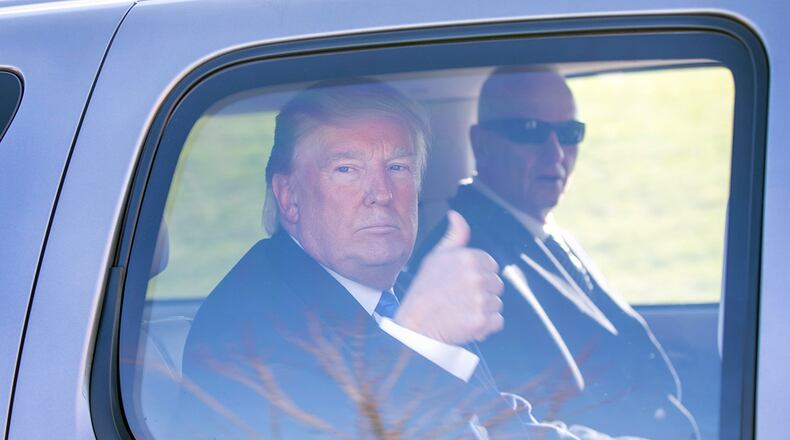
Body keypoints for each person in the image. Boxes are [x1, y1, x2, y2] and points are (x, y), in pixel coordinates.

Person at [173, 78, 577, 439]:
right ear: (289, 198)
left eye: (397, 167)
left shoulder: (398, 287)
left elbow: (494, 420)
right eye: (347, 169)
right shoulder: (246, 327)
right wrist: (418, 339)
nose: (381, 193)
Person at [408, 67, 701, 439]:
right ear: (481, 144)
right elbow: (509, 420)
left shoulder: (538, 230)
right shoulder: (461, 266)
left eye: (569, 133)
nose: (556, 153)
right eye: (530, 131)